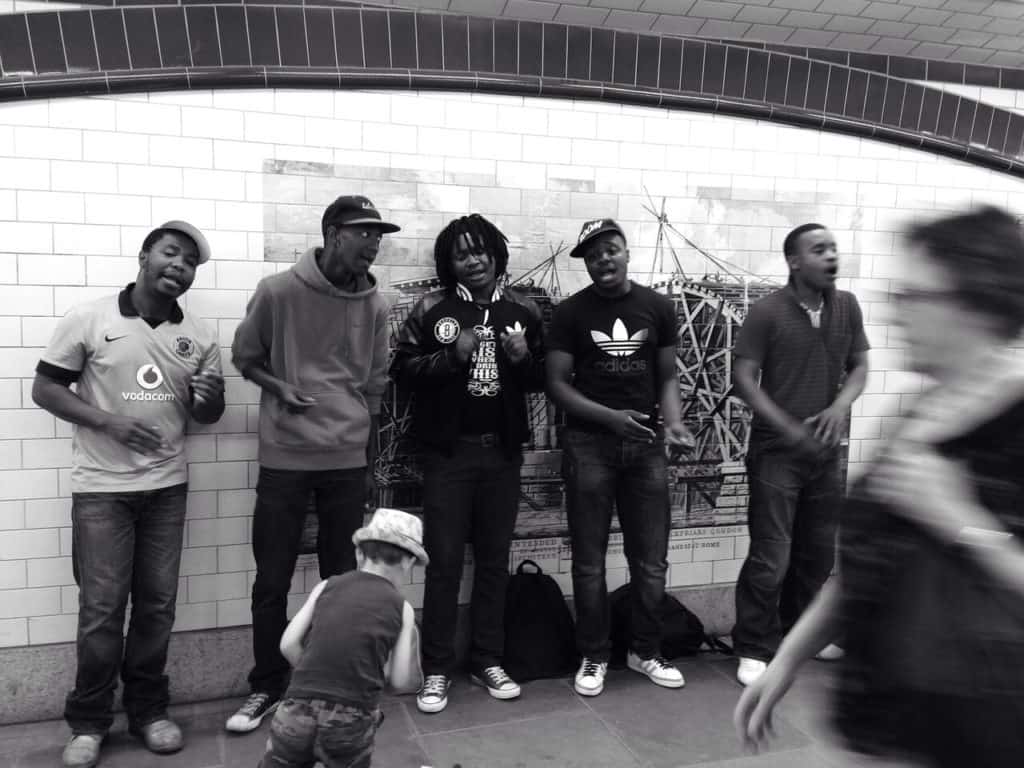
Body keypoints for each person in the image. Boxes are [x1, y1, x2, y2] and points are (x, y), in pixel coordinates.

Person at [735, 206, 1024, 768]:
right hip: (885, 727)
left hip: (978, 735)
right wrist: (786, 661)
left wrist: (959, 519)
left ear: (977, 304)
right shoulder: (918, 411)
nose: (897, 317)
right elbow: (863, 566)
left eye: (915, 298)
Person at [32, 221, 224, 768]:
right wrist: (107, 422)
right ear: (144, 256)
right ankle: (89, 723)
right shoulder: (91, 318)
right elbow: (45, 387)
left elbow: (207, 416)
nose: (179, 266)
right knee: (101, 610)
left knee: (157, 608)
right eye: (171, 253)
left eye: (189, 262)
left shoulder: (200, 337)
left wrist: (207, 398)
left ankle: (148, 712)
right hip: (101, 490)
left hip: (167, 488)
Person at [227, 195, 397, 733]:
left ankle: (339, 687)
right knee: (271, 578)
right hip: (285, 457)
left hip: (346, 459)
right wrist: (281, 387)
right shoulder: (278, 292)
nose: (372, 243)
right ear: (331, 233)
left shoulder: (376, 305)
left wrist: (368, 460)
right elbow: (245, 357)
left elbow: (374, 384)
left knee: (342, 579)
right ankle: (267, 685)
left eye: (378, 235)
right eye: (362, 232)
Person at [390, 214, 545, 714]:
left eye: (480, 251)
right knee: (445, 564)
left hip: (501, 454)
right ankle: (436, 669)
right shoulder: (433, 307)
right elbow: (403, 371)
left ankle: (486, 659)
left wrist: (523, 358)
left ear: (497, 254)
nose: (474, 260)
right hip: (448, 454)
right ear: (448, 262)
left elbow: (545, 380)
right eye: (462, 253)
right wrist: (451, 358)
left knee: (494, 563)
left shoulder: (524, 309)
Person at [546, 218, 694, 697]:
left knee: (650, 561)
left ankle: (645, 650)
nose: (603, 259)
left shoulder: (658, 307)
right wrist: (610, 418)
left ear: (626, 252)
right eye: (593, 255)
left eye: (610, 249)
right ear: (586, 264)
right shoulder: (570, 314)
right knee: (589, 562)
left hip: (647, 445)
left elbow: (667, 376)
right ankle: (594, 654)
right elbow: (556, 385)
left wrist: (672, 423)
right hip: (589, 444)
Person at [730, 223, 869, 687]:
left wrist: (839, 406)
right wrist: (786, 424)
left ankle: (802, 632)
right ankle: (753, 645)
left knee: (817, 553)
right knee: (772, 555)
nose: (831, 256)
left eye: (833, 248)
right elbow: (745, 377)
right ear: (793, 261)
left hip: (826, 453)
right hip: (775, 453)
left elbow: (860, 365)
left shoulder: (846, 306)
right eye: (819, 249)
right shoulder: (767, 312)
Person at [259, 507, 426, 768]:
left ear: (359, 553)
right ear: (409, 562)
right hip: (350, 720)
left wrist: (313, 675)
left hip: (295, 710)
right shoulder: (401, 607)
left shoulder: (327, 585)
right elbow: (400, 680)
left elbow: (287, 644)